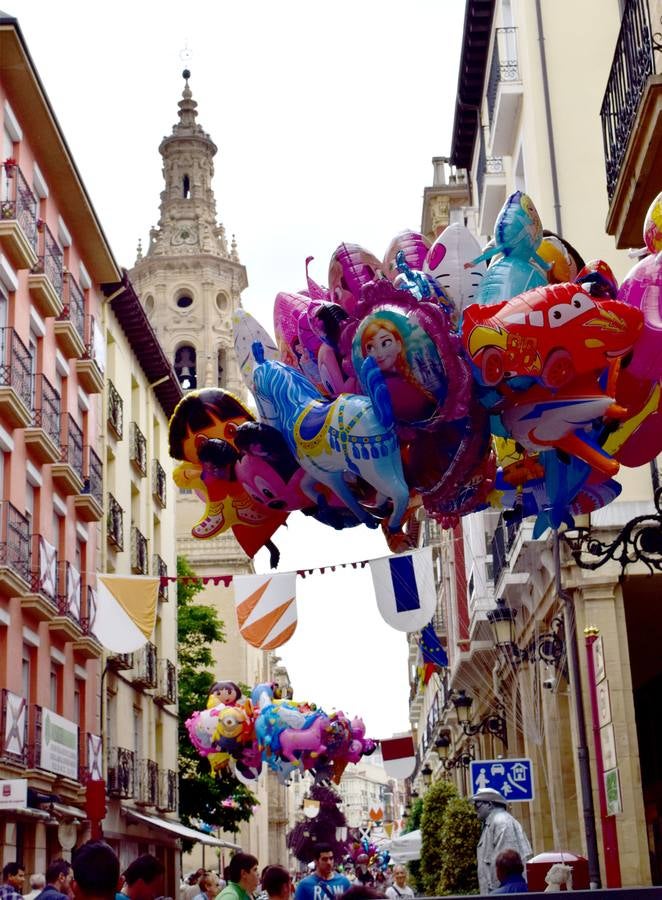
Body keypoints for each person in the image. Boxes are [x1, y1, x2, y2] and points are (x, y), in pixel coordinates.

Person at [471, 788, 532, 895]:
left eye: (477, 805)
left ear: (489, 804)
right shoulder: (491, 824)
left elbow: (505, 863)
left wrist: (496, 894)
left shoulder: (501, 821)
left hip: (506, 894)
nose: (475, 809)